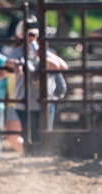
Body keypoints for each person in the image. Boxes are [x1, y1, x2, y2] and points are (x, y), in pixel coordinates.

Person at [7, 20, 68, 149]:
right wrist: (17, 64)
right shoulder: (19, 51)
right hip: (26, 102)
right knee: (30, 134)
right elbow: (9, 62)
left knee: (44, 134)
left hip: (45, 101)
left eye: (34, 36)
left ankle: (41, 156)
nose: (31, 39)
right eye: (28, 36)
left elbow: (60, 66)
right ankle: (31, 157)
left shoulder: (46, 52)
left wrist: (40, 54)